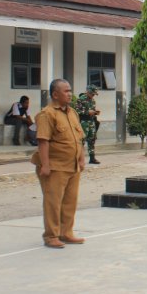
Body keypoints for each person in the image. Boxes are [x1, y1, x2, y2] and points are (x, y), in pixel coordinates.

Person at [30, 79, 86, 248]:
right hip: (55, 167)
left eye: (70, 90)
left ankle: (66, 232)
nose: (70, 94)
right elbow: (43, 141)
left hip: (72, 166)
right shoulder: (47, 114)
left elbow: (79, 138)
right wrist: (45, 165)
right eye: (66, 91)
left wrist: (82, 158)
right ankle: (51, 236)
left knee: (70, 201)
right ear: (55, 94)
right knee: (53, 202)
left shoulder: (72, 113)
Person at [74, 85, 101, 164]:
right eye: (92, 94)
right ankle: (78, 158)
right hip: (83, 122)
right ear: (88, 92)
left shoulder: (93, 101)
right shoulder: (80, 100)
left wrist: (95, 112)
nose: (93, 96)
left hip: (91, 122)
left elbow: (91, 110)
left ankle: (92, 158)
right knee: (81, 140)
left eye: (94, 94)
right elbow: (76, 111)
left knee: (92, 140)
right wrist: (87, 112)